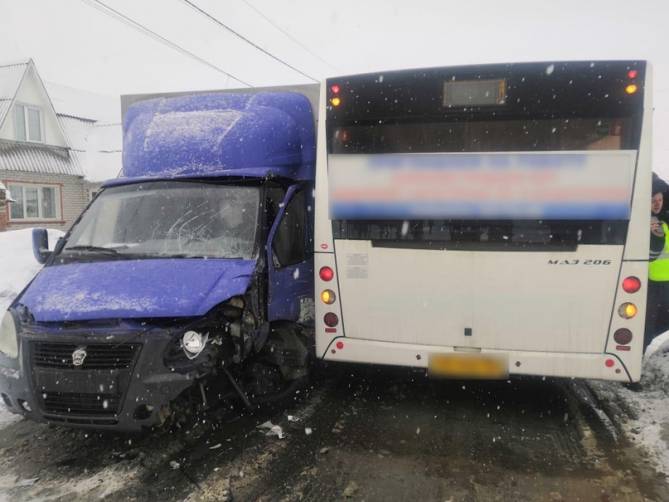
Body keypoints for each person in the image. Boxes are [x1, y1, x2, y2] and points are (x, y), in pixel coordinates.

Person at [645, 174, 669, 350]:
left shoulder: (664, 223)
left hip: (666, 284)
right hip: (651, 285)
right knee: (645, 330)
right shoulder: (645, 223)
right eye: (653, 199)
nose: (657, 203)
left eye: (659, 199)